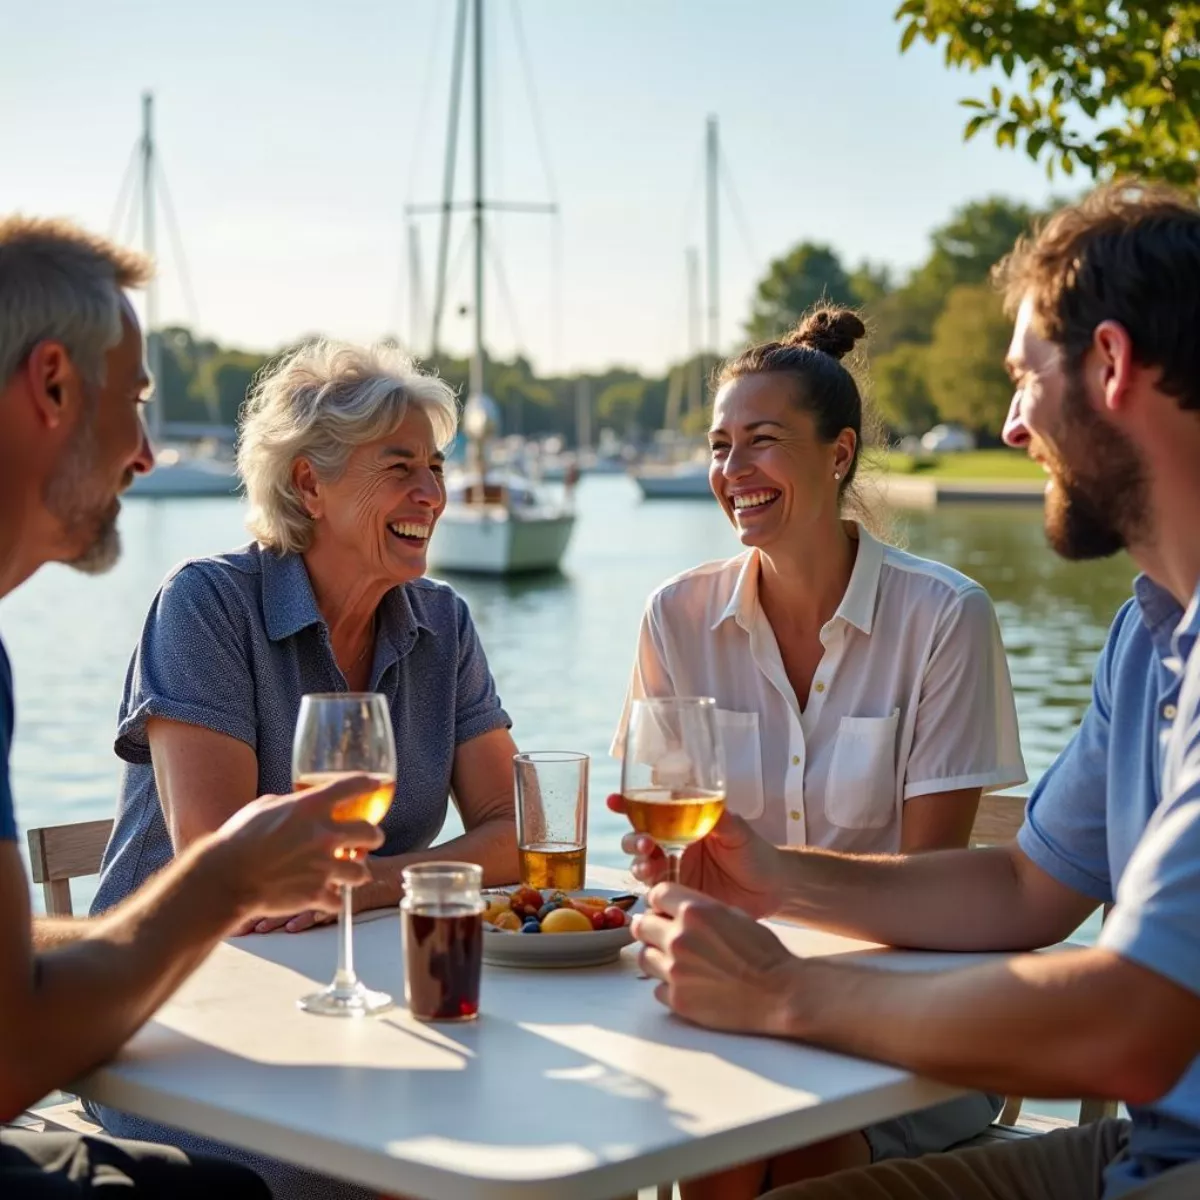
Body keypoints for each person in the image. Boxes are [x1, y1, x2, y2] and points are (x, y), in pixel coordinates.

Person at [621, 182, 1200, 1200]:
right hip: (1147, 1143)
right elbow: (1025, 887)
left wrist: (784, 990)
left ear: (1108, 365)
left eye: (1024, 379)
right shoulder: (1146, 636)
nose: (1013, 427)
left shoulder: (956, 613)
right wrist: (777, 879)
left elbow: (1137, 1023)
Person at [0, 219, 387, 1196]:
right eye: (132, 403)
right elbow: (13, 1053)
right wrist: (224, 881)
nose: (146, 453)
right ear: (52, 385)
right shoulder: (207, 601)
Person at [86, 340, 520, 1192]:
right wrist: (414, 880)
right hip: (177, 1015)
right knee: (349, 1174)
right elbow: (224, 863)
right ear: (308, 485)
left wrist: (383, 880)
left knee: (518, 1131)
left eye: (435, 466)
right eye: (399, 468)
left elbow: (517, 836)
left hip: (367, 1008)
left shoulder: (443, 623)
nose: (432, 493)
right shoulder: (207, 606)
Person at [612, 307, 1026, 1196]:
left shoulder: (945, 618)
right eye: (720, 446)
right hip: (730, 1004)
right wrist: (668, 869)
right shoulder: (675, 619)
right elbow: (674, 856)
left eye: (761, 442)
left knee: (796, 1160)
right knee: (712, 1147)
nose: (732, 472)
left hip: (909, 1018)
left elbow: (932, 889)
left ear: (838, 454)